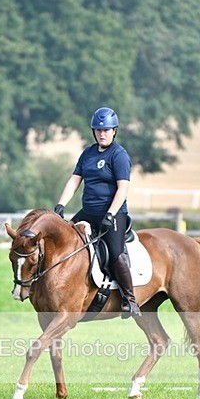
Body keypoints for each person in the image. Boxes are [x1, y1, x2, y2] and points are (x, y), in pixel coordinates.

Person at [54, 106, 141, 317]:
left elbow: (123, 189)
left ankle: (130, 299)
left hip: (114, 214)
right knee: (64, 241)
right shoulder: (88, 153)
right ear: (94, 131)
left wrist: (110, 214)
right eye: (99, 130)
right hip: (89, 212)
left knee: (115, 254)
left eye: (107, 130)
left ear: (114, 131)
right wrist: (60, 205)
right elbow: (74, 181)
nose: (102, 134)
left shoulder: (119, 155)